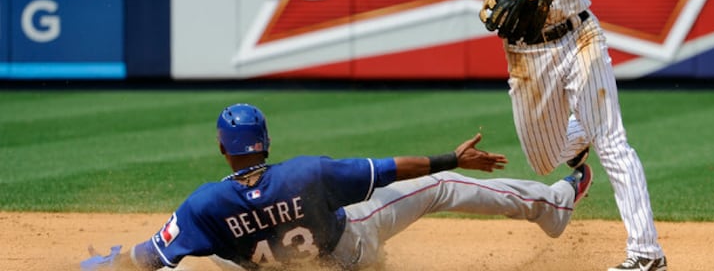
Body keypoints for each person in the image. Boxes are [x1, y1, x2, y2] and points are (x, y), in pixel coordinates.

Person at [266, 0, 668, 269]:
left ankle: (646, 254)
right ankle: (581, 130)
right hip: (526, 56)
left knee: (614, 143)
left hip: (579, 34)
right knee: (544, 158)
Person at [81, 103, 593, 270]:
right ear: (267, 141)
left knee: (211, 251)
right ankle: (552, 206)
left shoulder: (204, 205)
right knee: (440, 185)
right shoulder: (306, 173)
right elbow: (393, 169)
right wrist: (448, 157)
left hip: (266, 261)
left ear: (223, 150)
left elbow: (147, 259)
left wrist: (103, 265)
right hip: (346, 253)